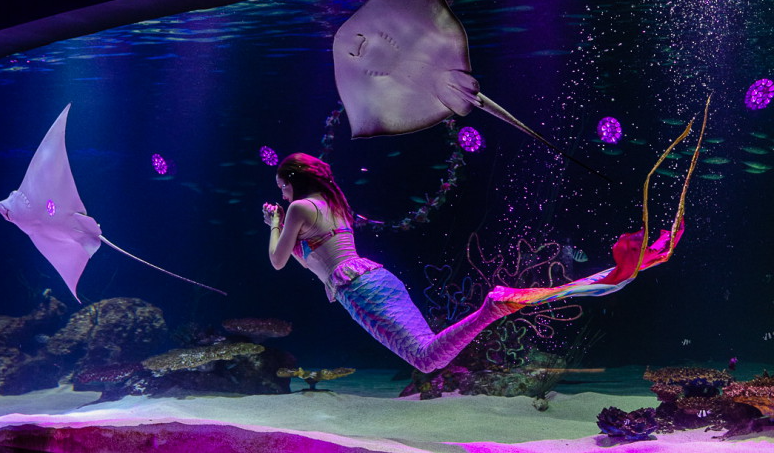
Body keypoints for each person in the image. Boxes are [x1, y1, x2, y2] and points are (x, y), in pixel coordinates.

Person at [262, 153, 681, 373]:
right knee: (430, 351)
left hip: (358, 290)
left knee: (427, 359)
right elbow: (312, 259)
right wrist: (285, 226)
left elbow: (279, 262)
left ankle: (493, 306)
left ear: (294, 181)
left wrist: (272, 225)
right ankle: (493, 307)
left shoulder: (299, 207)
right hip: (376, 278)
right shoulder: (334, 204)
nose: (282, 196)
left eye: (282, 187)